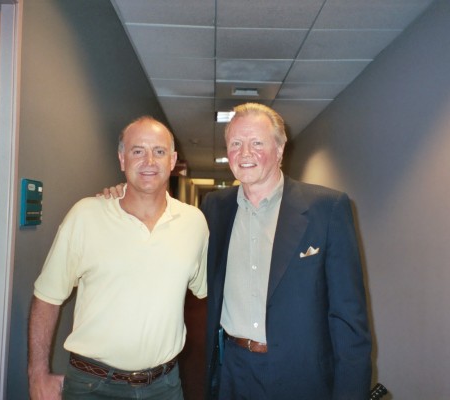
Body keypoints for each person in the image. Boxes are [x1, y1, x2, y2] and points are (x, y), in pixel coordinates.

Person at [102, 103, 372, 400]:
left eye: (257, 143)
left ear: (280, 149)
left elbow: (349, 320)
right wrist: (123, 196)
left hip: (302, 376)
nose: (245, 153)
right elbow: (167, 239)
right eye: (236, 144)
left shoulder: (327, 209)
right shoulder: (214, 209)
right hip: (233, 370)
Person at [27, 116, 209, 400]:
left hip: (165, 387)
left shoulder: (194, 223)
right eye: (138, 151)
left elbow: (205, 287)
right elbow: (47, 297)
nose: (149, 160)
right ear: (122, 159)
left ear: (172, 161)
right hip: (92, 385)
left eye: (159, 151)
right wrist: (37, 374)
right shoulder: (86, 215)